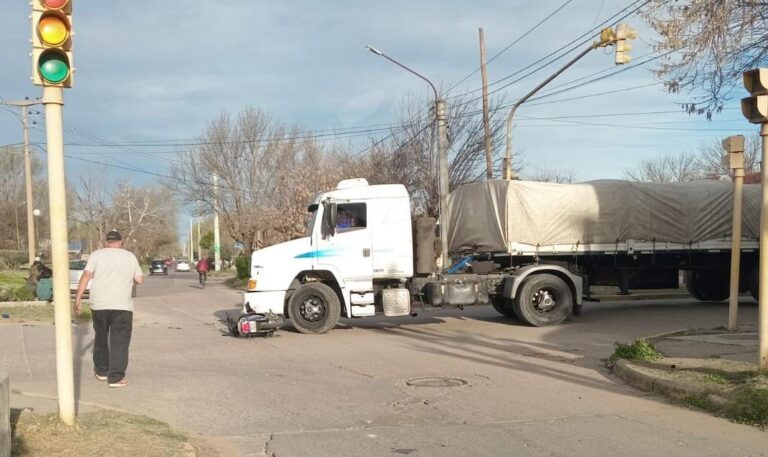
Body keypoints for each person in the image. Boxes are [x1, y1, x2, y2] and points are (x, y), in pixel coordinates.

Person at [74, 229, 144, 388]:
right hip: (121, 306)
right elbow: (139, 279)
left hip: (99, 305)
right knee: (119, 340)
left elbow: (86, 276)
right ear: (121, 242)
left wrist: (78, 299)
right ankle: (116, 377)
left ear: (107, 242)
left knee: (101, 336)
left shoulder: (96, 255)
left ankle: (101, 371)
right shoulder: (129, 256)